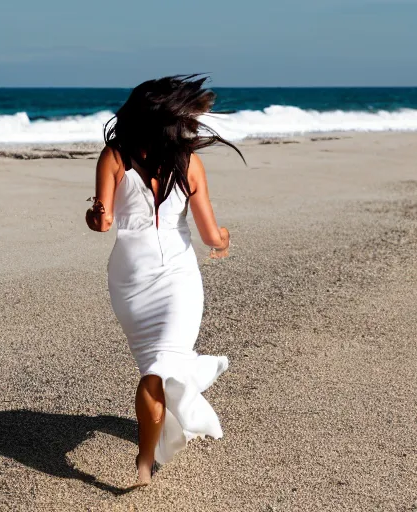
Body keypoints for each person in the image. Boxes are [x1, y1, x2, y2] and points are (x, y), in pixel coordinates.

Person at [86, 75, 244, 485]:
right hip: (172, 277)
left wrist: (98, 216)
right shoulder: (187, 162)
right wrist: (224, 239)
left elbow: (101, 225)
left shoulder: (114, 155)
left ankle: (145, 459)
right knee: (156, 367)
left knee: (156, 366)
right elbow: (211, 235)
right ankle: (145, 457)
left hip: (132, 275)